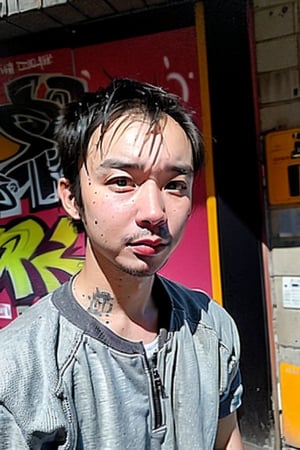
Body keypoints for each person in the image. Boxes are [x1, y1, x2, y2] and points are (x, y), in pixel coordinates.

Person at [0, 78, 244, 449]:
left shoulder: (212, 329)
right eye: (121, 181)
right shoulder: (19, 368)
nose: (154, 211)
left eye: (175, 184)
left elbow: (226, 441)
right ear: (71, 197)